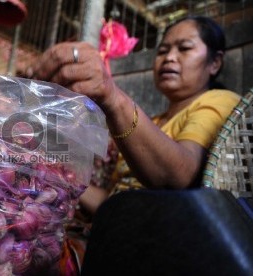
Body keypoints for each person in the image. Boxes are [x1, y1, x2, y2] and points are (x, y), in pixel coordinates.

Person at [28, 16, 240, 214]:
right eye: (162, 51)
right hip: (116, 227)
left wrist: (112, 97)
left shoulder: (220, 100)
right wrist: (61, 177)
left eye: (184, 48)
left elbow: (179, 177)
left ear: (215, 63)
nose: (170, 58)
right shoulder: (153, 123)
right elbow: (111, 200)